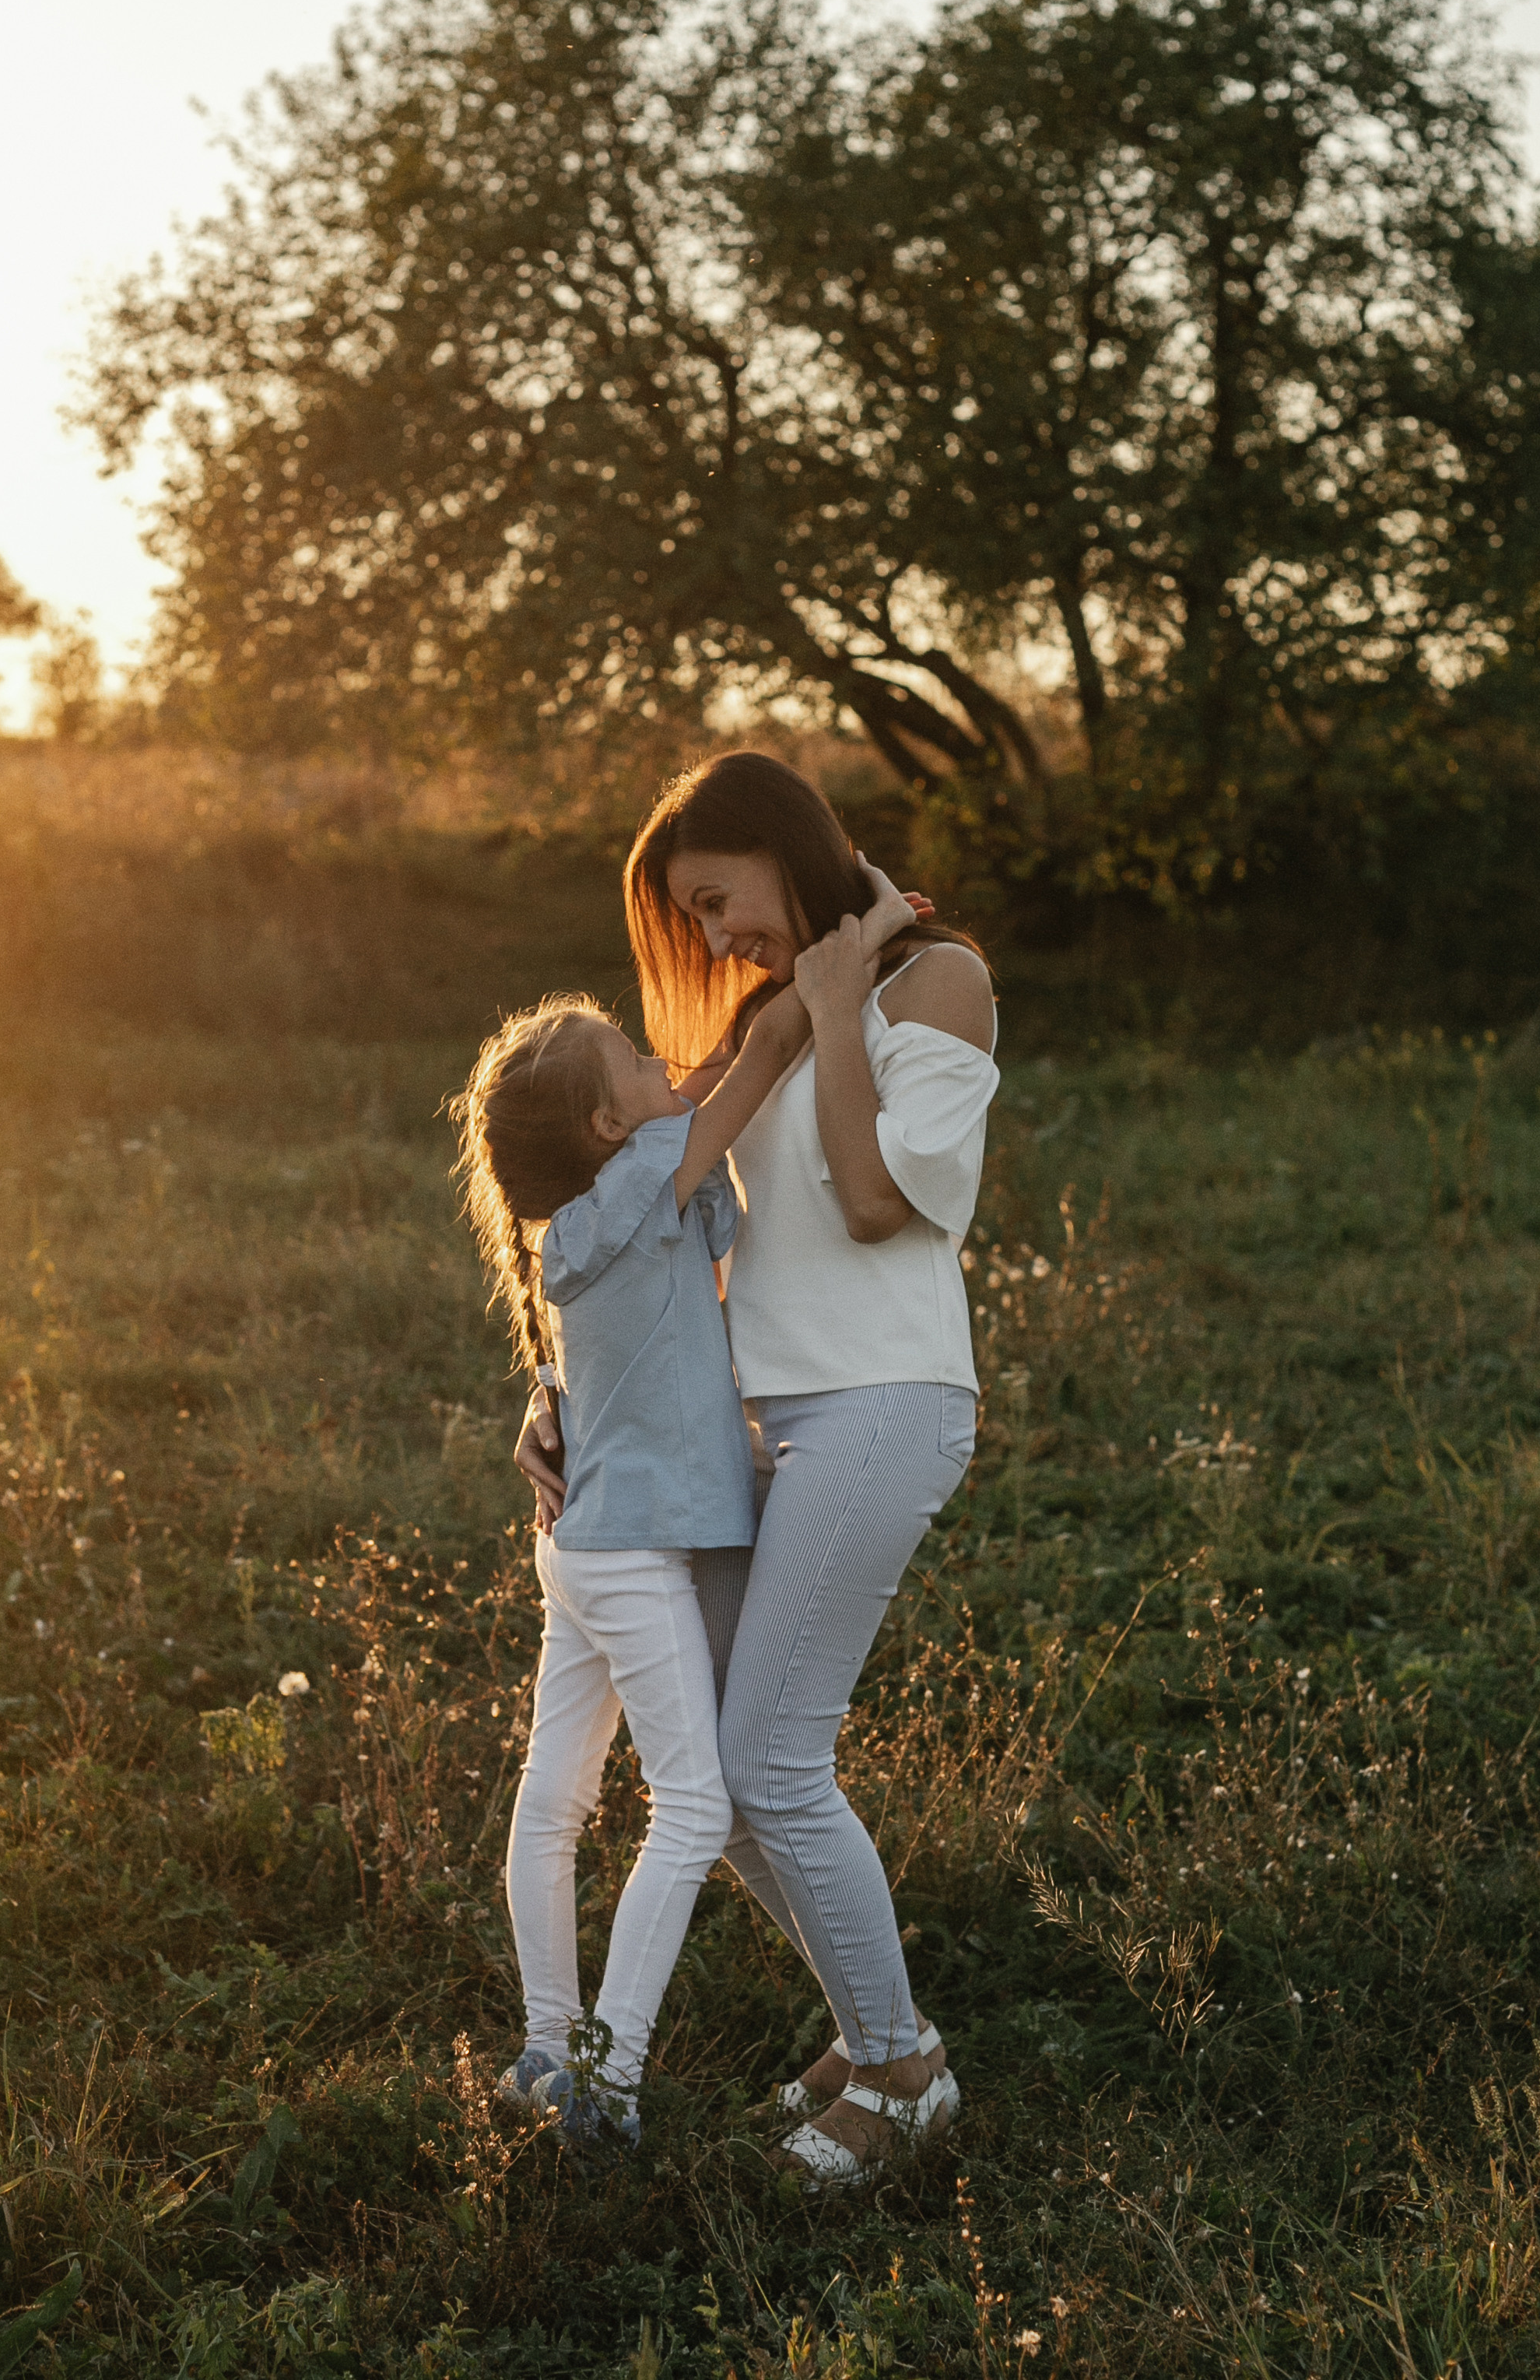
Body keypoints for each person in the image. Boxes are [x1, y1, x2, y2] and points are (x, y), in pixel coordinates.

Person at [517, 753, 996, 2182]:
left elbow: (868, 1197)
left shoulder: (942, 983)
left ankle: (905, 2071)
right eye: (698, 918)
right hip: (751, 1423)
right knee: (714, 1782)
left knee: (774, 1763)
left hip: (884, 1397)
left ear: (784, 851)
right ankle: (873, 2028)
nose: (717, 940)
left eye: (720, 900)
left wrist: (838, 1013)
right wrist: (558, 1394)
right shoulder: (772, 1014)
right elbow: (643, 1230)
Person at [452, 869, 917, 2145]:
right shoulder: (647, 1173)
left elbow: (706, 1072)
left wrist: (698, 1066)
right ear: (610, 1124)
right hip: (641, 1551)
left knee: (554, 1801)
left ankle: (547, 2047)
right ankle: (608, 2077)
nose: (667, 1068)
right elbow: (752, 1057)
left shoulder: (580, 1218)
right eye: (637, 1068)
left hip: (582, 1551)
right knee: (697, 1803)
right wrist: (862, 941)